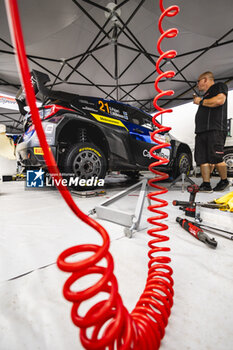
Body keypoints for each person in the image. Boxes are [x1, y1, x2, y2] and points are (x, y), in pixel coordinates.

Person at [193, 71, 230, 193]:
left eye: (198, 82)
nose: (197, 85)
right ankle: (206, 184)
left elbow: (219, 101)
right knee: (202, 158)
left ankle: (224, 181)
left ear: (204, 80)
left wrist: (200, 101)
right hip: (201, 131)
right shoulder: (205, 96)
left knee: (216, 156)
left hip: (215, 129)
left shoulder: (219, 86)